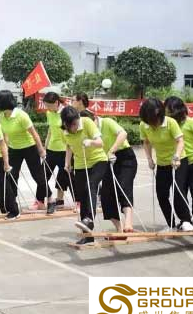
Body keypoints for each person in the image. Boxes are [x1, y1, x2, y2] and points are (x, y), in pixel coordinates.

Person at [0, 90, 51, 213]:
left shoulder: (21, 115)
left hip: (29, 148)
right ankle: (13, 204)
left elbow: (34, 134)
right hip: (14, 149)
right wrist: (6, 149)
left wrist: (41, 150)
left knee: (37, 176)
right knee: (12, 176)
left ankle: (50, 199)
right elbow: (5, 135)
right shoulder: (2, 116)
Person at [139, 98, 192, 231]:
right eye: (149, 121)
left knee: (178, 191)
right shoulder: (144, 125)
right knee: (161, 194)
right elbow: (146, 142)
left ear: (160, 114)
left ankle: (186, 220)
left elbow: (180, 141)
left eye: (154, 120)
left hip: (178, 161)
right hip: (162, 163)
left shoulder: (170, 123)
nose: (153, 124)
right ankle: (171, 224)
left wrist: (177, 156)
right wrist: (149, 159)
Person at [81, 109, 137, 235]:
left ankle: (128, 223)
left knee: (123, 187)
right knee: (106, 195)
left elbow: (123, 134)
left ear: (95, 118)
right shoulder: (88, 131)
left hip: (125, 157)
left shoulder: (107, 122)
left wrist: (112, 150)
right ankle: (119, 227)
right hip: (108, 159)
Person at [61, 106, 108, 245]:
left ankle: (89, 219)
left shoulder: (87, 122)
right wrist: (67, 163)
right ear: (65, 124)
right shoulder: (65, 131)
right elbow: (69, 146)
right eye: (71, 125)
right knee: (82, 197)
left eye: (76, 124)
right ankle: (87, 236)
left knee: (90, 186)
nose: (74, 127)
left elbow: (100, 142)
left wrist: (91, 142)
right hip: (81, 164)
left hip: (98, 161)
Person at [164, 97, 193, 230]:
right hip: (181, 162)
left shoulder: (190, 122)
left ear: (177, 109)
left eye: (169, 110)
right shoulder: (170, 123)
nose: (167, 113)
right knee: (179, 191)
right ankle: (186, 219)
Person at [42, 92, 73, 208]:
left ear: (56, 103)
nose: (47, 108)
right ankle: (40, 200)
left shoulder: (66, 113)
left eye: (49, 106)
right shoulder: (49, 113)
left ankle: (60, 200)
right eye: (46, 106)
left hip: (64, 149)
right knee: (43, 175)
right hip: (51, 148)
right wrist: (45, 146)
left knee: (63, 176)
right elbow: (50, 130)